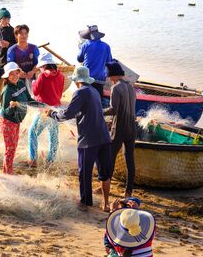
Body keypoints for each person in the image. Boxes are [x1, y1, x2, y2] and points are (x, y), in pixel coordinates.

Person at [46, 66, 111, 211]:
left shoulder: (80, 92)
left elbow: (68, 113)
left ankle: (86, 203)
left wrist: (52, 114)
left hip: (89, 139)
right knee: (105, 172)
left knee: (84, 172)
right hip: (104, 137)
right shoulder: (94, 91)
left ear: (77, 81)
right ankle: (106, 203)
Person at [103, 61, 136, 198]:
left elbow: (113, 110)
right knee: (130, 160)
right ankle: (128, 192)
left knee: (110, 158)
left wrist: (99, 111)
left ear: (114, 76)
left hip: (120, 128)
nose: (109, 79)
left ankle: (106, 186)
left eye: (110, 77)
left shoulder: (116, 88)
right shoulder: (131, 87)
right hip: (132, 128)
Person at [0, 62, 39, 174]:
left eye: (16, 73)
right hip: (8, 122)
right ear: (7, 76)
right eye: (11, 74)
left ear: (19, 73)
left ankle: (7, 171)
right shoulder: (7, 90)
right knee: (10, 149)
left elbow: (29, 99)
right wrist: (12, 107)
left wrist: (41, 105)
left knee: (13, 147)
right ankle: (8, 173)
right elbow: (6, 111)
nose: (14, 76)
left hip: (17, 121)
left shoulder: (21, 84)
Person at [28, 52, 65, 167]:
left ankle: (33, 160)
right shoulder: (61, 76)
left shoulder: (43, 76)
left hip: (45, 110)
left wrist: (34, 82)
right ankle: (50, 160)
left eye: (40, 67)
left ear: (44, 66)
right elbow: (60, 91)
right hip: (56, 109)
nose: (40, 69)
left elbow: (35, 91)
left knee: (32, 133)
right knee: (53, 136)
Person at [77, 25, 112, 98]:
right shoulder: (106, 46)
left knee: (86, 99)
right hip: (100, 79)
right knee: (98, 100)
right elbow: (109, 62)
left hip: (87, 78)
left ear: (88, 36)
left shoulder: (85, 45)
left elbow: (79, 59)